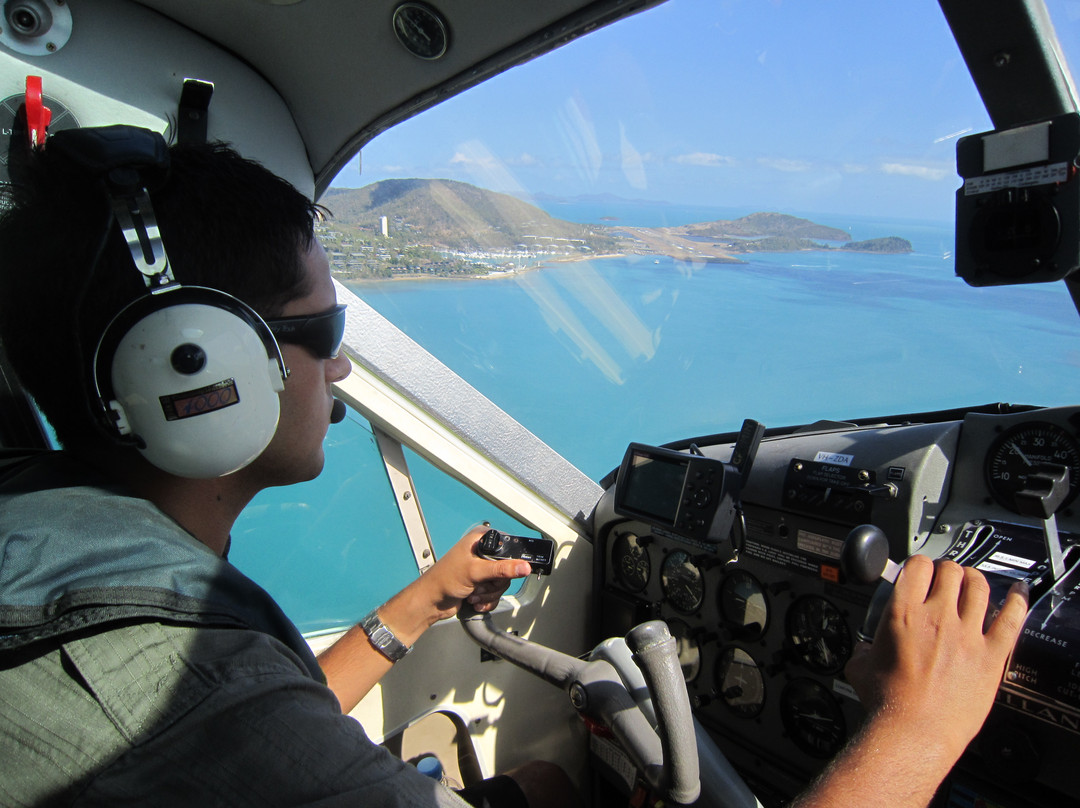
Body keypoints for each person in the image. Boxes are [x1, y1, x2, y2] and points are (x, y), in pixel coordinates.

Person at [0, 125, 1027, 808]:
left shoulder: (66, 551)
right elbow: (242, 730)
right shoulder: (180, 700)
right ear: (201, 368)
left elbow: (269, 713)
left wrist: (419, 603)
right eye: (326, 328)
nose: (345, 363)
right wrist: (915, 726)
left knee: (539, 781)